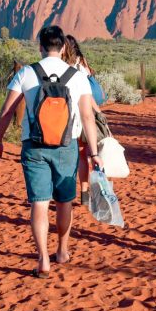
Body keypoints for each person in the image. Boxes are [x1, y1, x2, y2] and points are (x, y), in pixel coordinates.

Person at [0, 25, 103, 279]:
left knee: (39, 202)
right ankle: (62, 250)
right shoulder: (77, 76)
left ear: (40, 46)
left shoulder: (26, 74)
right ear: (63, 47)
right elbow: (87, 116)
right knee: (64, 201)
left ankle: (43, 259)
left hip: (34, 146)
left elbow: (7, 112)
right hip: (67, 146)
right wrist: (94, 153)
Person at [63, 34, 101, 205]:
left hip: (66, 114)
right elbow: (89, 92)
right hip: (85, 113)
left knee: (71, 155)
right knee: (84, 155)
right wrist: (98, 113)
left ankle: (66, 193)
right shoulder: (82, 63)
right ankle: (85, 193)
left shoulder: (61, 66)